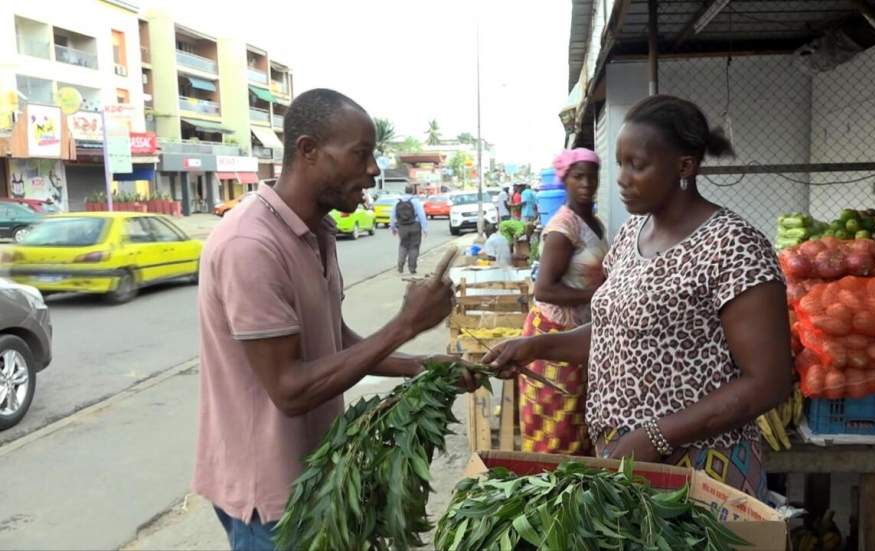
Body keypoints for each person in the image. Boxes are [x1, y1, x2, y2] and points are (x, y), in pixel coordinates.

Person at [193, 88, 469, 551]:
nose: (374, 170)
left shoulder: (317, 230)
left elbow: (333, 340)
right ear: (309, 151)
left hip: (315, 474)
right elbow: (290, 388)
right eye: (360, 154)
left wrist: (420, 364)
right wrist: (405, 323)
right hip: (271, 496)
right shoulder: (251, 246)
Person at [484, 95, 793, 499]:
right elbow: (615, 333)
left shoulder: (734, 245)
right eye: (620, 163)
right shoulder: (632, 234)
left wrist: (656, 436)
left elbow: (768, 382)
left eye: (638, 165)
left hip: (700, 468)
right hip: (626, 460)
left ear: (684, 166)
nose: (621, 178)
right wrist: (534, 346)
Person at [519, 147, 607, 455]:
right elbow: (543, 289)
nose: (586, 183)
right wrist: (600, 296)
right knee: (555, 429)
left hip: (581, 335)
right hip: (553, 335)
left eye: (591, 176)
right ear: (564, 180)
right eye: (577, 176)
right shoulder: (562, 228)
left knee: (579, 420)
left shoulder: (593, 223)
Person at [391, 184, 428, 275]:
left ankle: (400, 267)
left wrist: (393, 228)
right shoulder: (415, 201)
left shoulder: (397, 202)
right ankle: (412, 268)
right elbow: (421, 215)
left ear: (405, 191)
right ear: (412, 191)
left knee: (403, 245)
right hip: (415, 226)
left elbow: (392, 216)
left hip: (402, 227)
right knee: (414, 247)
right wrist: (425, 228)